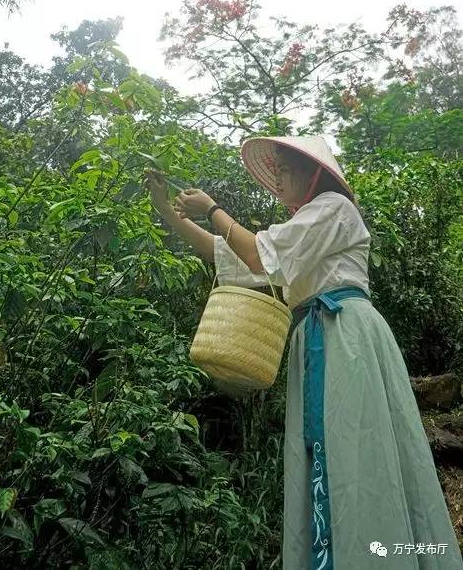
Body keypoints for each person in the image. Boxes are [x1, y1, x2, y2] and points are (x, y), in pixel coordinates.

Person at [143, 135, 463, 569]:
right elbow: (228, 254)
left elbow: (256, 254)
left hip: (346, 335)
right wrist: (168, 211)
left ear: (313, 174)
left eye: (285, 169)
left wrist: (214, 208)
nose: (278, 178)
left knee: (356, 448)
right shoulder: (304, 227)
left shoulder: (334, 209)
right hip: (319, 336)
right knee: (328, 449)